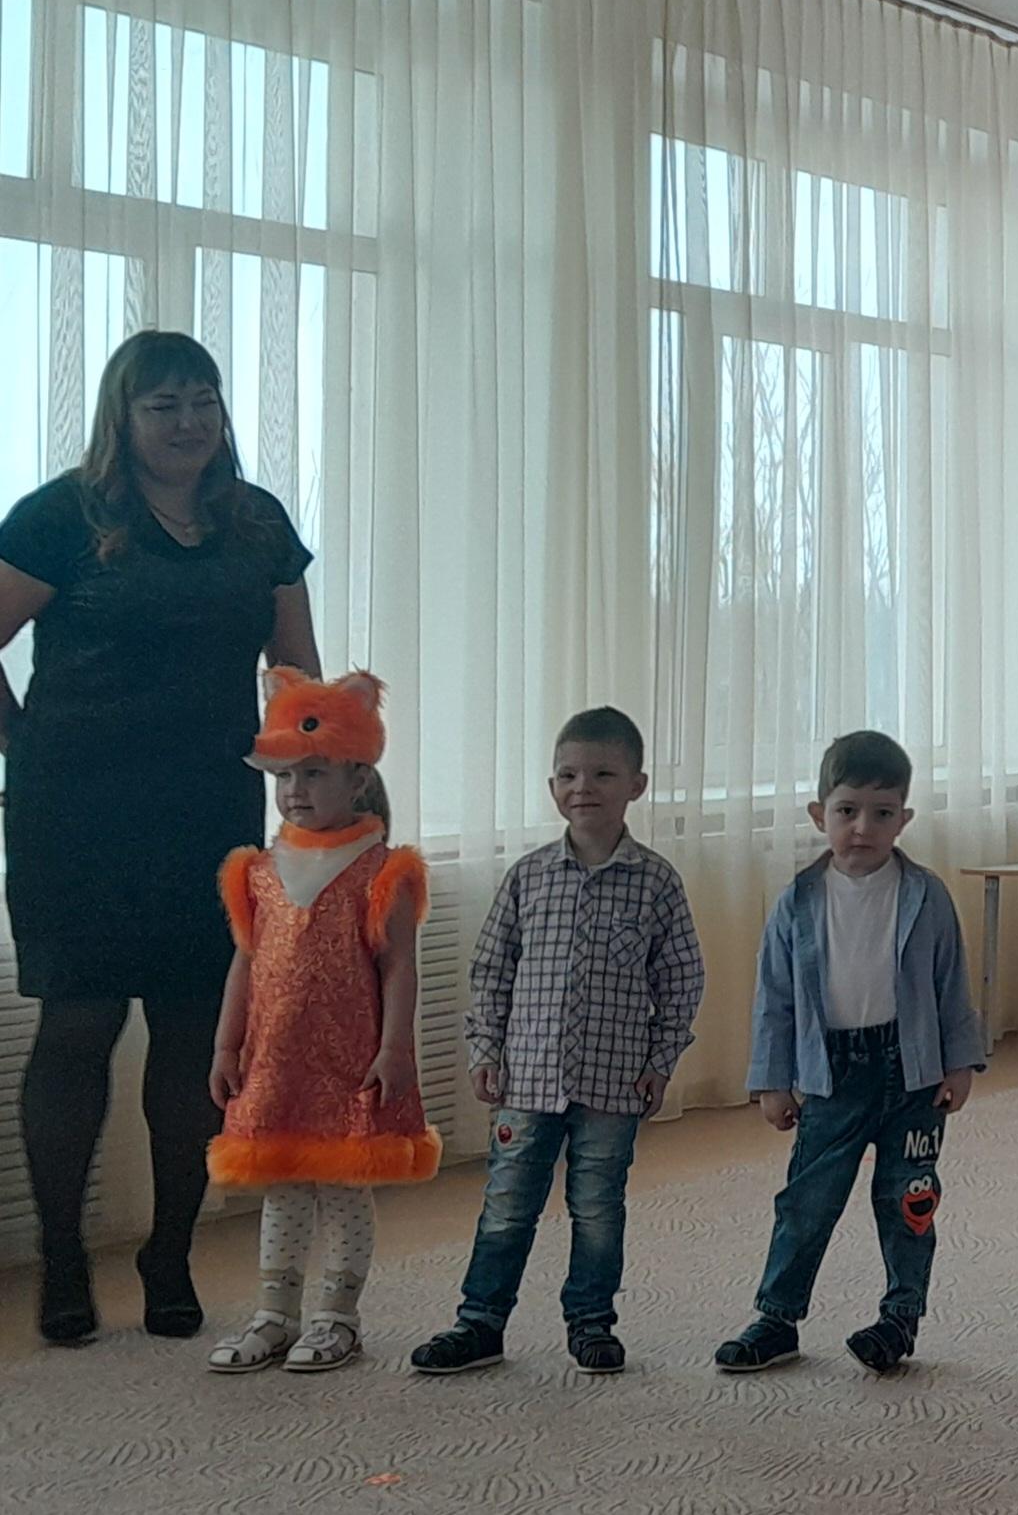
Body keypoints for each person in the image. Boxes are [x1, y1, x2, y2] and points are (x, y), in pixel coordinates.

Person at [0, 330, 319, 1344]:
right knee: (78, 1028)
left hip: (208, 814)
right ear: (123, 416)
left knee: (194, 1032)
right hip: (73, 816)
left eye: (203, 401)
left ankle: (169, 1253)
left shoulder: (257, 521)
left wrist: (315, 781)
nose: (188, 422)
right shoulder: (61, 515)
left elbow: (296, 674)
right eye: (163, 405)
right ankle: (62, 1260)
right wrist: (21, 748)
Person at [409, 707, 703, 1378]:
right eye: (568, 775)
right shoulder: (529, 876)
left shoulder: (656, 882)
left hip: (613, 1084)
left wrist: (661, 1062)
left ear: (636, 785)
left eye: (602, 774)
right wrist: (485, 1049)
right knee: (507, 1205)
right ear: (551, 788)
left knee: (597, 1208)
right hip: (526, 1080)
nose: (583, 787)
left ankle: (592, 1323)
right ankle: (479, 1321)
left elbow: (682, 978)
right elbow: (492, 969)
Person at [714, 730, 984, 1377]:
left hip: (911, 1073)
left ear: (903, 818)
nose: (863, 827)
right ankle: (777, 1317)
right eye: (847, 810)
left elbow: (951, 982)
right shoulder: (797, 901)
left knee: (908, 1199)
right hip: (830, 1074)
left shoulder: (926, 894)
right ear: (820, 814)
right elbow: (774, 998)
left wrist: (960, 1062)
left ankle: (899, 1319)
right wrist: (772, 1079)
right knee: (807, 1201)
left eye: (882, 812)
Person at [204, 669, 437, 1373]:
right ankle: (275, 1313)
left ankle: (337, 1317)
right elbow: (246, 963)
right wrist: (226, 1045)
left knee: (342, 1184)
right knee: (284, 1183)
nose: (295, 789)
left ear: (357, 777)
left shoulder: (383, 871)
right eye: (284, 776)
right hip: (275, 1060)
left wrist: (395, 1048)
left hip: (347, 1061)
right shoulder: (259, 871)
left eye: (313, 772)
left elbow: (398, 967)